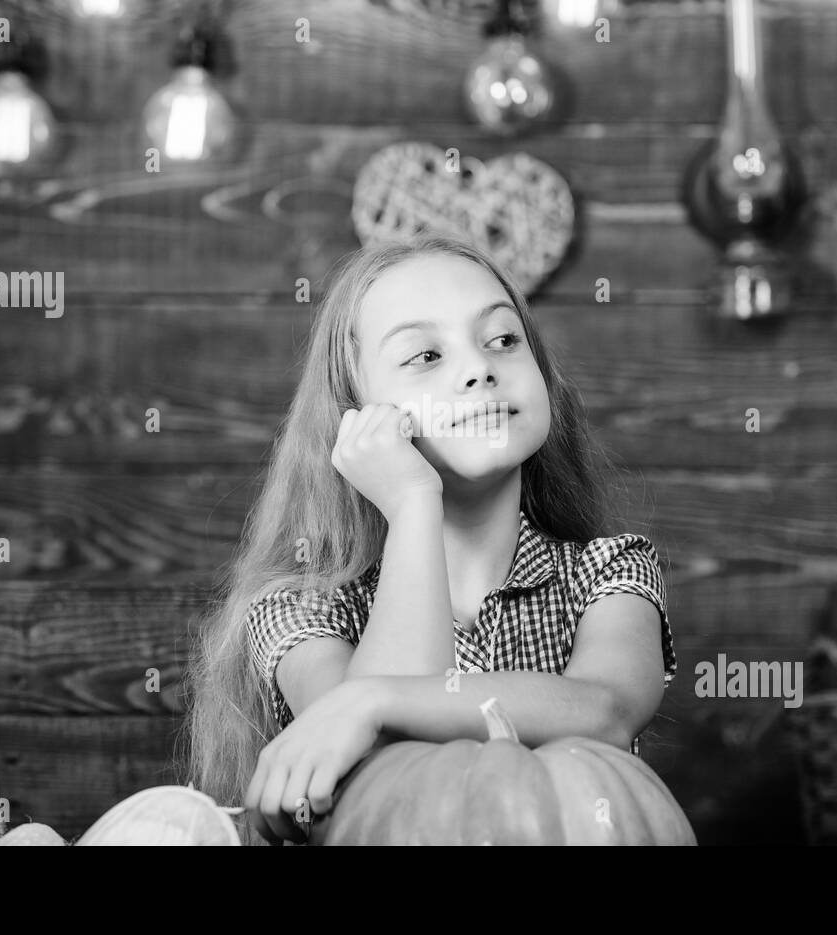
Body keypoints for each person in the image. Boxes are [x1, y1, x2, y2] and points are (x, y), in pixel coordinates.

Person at [184, 233, 676, 845]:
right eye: (425, 356)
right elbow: (384, 770)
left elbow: (605, 709)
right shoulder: (301, 606)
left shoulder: (609, 572)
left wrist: (368, 702)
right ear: (354, 413)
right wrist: (414, 504)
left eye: (503, 339)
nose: (480, 368)